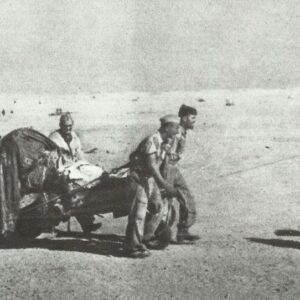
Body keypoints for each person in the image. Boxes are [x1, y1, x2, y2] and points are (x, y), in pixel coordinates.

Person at [124, 115, 180, 258]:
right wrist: (165, 185)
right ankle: (132, 246)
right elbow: (152, 166)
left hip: (150, 179)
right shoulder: (152, 140)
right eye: (175, 127)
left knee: (157, 207)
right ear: (167, 127)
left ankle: (146, 237)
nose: (177, 130)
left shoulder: (165, 141)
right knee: (139, 213)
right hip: (140, 179)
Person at [49, 112, 101, 233]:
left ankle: (87, 223)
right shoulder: (54, 138)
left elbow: (78, 153)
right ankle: (84, 222)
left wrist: (86, 165)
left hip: (73, 167)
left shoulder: (73, 136)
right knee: (75, 191)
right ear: (60, 125)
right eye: (65, 126)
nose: (68, 128)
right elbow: (52, 157)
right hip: (60, 168)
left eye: (70, 126)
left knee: (86, 186)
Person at [163, 104, 200, 243]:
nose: (194, 121)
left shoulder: (181, 131)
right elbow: (168, 154)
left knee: (185, 197)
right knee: (178, 197)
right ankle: (170, 232)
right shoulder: (177, 133)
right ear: (184, 118)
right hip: (169, 169)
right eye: (192, 118)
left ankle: (182, 231)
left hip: (172, 168)